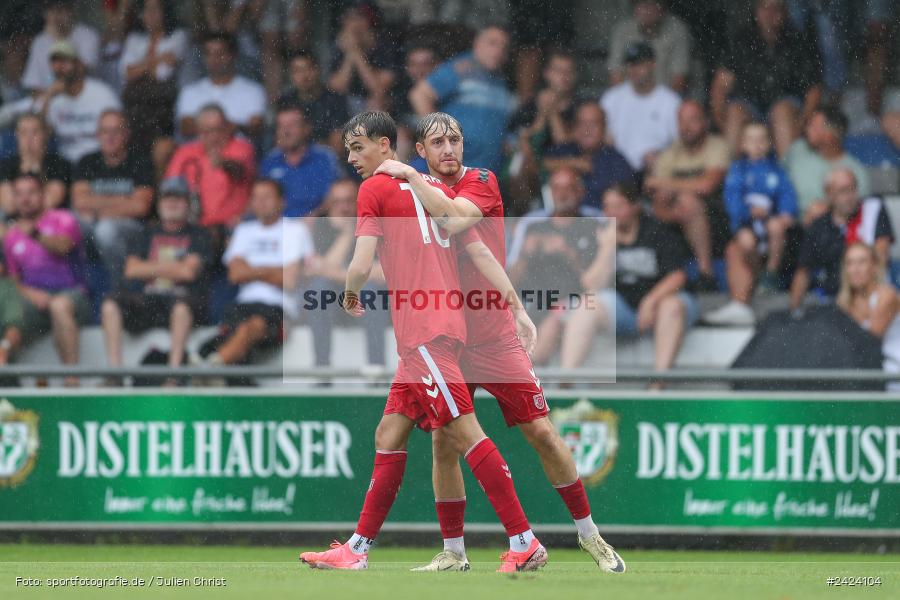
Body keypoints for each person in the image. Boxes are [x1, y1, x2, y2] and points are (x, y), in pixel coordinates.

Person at [371, 113, 625, 572]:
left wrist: (406, 172)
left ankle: (590, 536)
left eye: (455, 139)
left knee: (542, 433)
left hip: (492, 336)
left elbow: (453, 220)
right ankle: (454, 551)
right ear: (424, 151)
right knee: (443, 444)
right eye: (437, 142)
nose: (449, 148)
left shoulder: (483, 181)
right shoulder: (418, 192)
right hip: (444, 337)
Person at [300, 112, 551, 573]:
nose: (352, 158)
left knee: (462, 432)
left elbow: (360, 260)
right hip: (443, 326)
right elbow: (476, 248)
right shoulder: (435, 193)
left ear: (383, 145)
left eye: (357, 148)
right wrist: (516, 305)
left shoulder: (376, 188)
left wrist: (350, 294)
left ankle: (525, 540)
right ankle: (356, 549)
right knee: (389, 432)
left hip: (425, 331)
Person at [560, 184, 698, 385]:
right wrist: (607, 248)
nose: (612, 212)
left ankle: (658, 385)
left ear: (635, 206)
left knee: (671, 305)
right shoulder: (599, 235)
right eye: (608, 206)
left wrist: (651, 301)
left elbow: (678, 277)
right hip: (624, 308)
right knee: (587, 305)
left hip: (663, 306)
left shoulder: (658, 230)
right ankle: (566, 382)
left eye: (619, 206)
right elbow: (590, 284)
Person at [194, 179, 311, 374]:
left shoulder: (295, 231)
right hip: (242, 306)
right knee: (241, 329)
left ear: (282, 202)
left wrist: (251, 270)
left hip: (279, 308)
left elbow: (289, 280)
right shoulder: (243, 231)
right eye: (256, 197)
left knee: (250, 328)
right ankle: (214, 368)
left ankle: (208, 370)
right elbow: (234, 274)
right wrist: (273, 270)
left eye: (267, 197)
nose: (261, 202)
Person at [100, 177, 211, 383]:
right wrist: (175, 267)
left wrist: (150, 269)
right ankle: (115, 375)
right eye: (167, 199)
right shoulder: (146, 233)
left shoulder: (200, 235)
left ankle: (174, 376)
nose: (172, 204)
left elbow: (188, 273)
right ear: (159, 204)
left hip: (184, 302)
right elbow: (132, 270)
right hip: (150, 300)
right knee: (110, 304)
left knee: (181, 307)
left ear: (188, 204)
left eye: (178, 199)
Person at [705, 122, 798, 326]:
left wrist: (785, 213)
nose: (756, 145)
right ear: (742, 145)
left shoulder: (777, 170)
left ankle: (770, 274)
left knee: (776, 227)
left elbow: (787, 194)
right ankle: (755, 281)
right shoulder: (738, 170)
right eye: (751, 140)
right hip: (746, 224)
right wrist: (748, 212)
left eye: (761, 140)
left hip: (772, 225)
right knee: (744, 242)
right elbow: (732, 199)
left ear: (770, 143)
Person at [506, 168, 602, 365]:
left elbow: (599, 282)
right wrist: (526, 255)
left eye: (568, 188)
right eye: (556, 188)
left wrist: (567, 252)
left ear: (580, 191)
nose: (562, 194)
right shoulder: (531, 224)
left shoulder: (596, 223)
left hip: (576, 301)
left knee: (551, 323)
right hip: (533, 300)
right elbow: (509, 281)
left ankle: (538, 383)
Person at [4, 173, 88, 387]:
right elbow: (14, 280)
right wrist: (31, 294)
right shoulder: (11, 236)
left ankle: (71, 382)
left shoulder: (63, 218)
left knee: (59, 306)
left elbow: (63, 247)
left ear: (43, 194)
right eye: (19, 194)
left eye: (31, 192)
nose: (25, 199)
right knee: (7, 314)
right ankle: (11, 384)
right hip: (34, 299)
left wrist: (34, 233)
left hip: (71, 293)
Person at [710, 0, 821, 157]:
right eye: (765, 8)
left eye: (776, 8)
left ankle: (786, 174)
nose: (770, 13)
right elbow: (720, 86)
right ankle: (731, 175)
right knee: (735, 112)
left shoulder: (798, 41)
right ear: (756, 12)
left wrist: (804, 122)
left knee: (781, 112)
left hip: (785, 105)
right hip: (749, 104)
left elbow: (813, 89)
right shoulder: (741, 40)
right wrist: (721, 122)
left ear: (784, 12)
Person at [644, 100, 731, 291]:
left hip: (717, 218)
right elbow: (659, 197)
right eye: (681, 121)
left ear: (705, 122)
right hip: (678, 218)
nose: (686, 127)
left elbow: (708, 185)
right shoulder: (670, 153)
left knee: (687, 200)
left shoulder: (717, 146)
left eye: (692, 120)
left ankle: (706, 273)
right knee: (669, 204)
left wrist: (665, 184)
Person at [410, 24, 516, 173]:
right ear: (477, 43)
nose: (498, 51)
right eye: (492, 43)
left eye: (504, 47)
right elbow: (420, 95)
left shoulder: (501, 81)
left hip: (481, 172)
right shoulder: (461, 68)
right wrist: (440, 139)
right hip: (449, 168)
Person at [306, 178, 389, 368]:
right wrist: (347, 234)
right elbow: (318, 269)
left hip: (372, 304)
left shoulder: (376, 224)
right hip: (336, 305)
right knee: (318, 289)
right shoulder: (321, 227)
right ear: (329, 204)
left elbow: (383, 273)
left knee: (371, 290)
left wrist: (335, 273)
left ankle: (376, 369)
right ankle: (322, 368)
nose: (343, 208)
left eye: (348, 201)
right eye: (337, 202)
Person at [789, 168, 894, 310]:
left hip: (870, 298)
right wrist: (793, 312)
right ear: (829, 194)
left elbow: (881, 257)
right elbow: (803, 272)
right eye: (843, 191)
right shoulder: (819, 226)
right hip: (831, 302)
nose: (850, 196)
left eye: (853, 189)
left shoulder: (873, 210)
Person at [71, 110, 154, 289]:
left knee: (106, 229)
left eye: (116, 131)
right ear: (97, 135)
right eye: (105, 131)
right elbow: (79, 202)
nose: (110, 137)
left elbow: (140, 207)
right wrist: (124, 200)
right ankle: (75, 286)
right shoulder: (87, 161)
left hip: (131, 230)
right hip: (94, 223)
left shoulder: (140, 161)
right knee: (69, 222)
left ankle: (121, 287)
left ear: (126, 134)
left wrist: (98, 208)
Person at [118, 0, 187, 174]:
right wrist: (157, 59)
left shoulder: (178, 36)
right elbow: (128, 73)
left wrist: (140, 66)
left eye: (156, 9)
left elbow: (162, 74)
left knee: (160, 150)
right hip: (135, 109)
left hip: (163, 109)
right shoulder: (134, 39)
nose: (151, 14)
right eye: (146, 10)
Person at [165, 104, 255, 230]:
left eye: (218, 130)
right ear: (198, 131)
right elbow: (170, 187)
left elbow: (239, 170)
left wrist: (224, 163)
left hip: (232, 225)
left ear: (228, 127)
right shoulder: (185, 152)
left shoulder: (241, 148)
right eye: (207, 132)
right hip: (193, 226)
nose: (214, 137)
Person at [600, 41, 680, 174]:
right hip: (618, 171)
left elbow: (679, 144)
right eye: (630, 64)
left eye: (639, 63)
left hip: (657, 170)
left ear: (653, 64)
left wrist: (663, 157)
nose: (634, 69)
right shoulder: (611, 98)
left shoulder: (671, 101)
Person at [784, 106, 870, 224]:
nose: (807, 129)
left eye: (813, 126)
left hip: (827, 229)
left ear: (829, 135)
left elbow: (858, 210)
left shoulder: (855, 170)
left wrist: (828, 209)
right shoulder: (797, 149)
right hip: (787, 224)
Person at [41, 40, 121, 165]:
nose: (60, 67)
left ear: (79, 64)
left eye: (64, 61)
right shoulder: (52, 99)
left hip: (98, 162)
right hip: (66, 165)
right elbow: (41, 137)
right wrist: (48, 98)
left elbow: (120, 132)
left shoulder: (102, 94)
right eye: (55, 62)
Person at [542, 102, 635, 209]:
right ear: (574, 127)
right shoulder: (566, 149)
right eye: (581, 123)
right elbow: (540, 165)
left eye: (593, 124)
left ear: (604, 128)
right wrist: (573, 163)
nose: (587, 130)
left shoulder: (618, 163)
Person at [175, 32, 265, 141]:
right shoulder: (190, 91)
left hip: (237, 152)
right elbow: (185, 128)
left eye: (220, 53)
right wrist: (228, 127)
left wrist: (208, 127)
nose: (215, 59)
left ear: (233, 54)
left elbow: (256, 127)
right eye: (209, 53)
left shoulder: (253, 90)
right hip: (199, 153)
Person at [836, 242, 900, 390]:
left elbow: (869, 342)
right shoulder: (843, 302)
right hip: (864, 370)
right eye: (850, 263)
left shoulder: (886, 295)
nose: (855, 269)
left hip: (893, 371)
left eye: (861, 262)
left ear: (874, 266)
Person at [259, 104, 339, 218]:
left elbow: (338, 194)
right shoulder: (270, 161)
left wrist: (314, 217)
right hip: (279, 227)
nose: (286, 131)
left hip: (318, 225)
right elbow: (261, 199)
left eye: (292, 125)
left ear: (306, 128)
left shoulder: (324, 157)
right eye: (281, 126)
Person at [608, 0, 692, 94]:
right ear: (634, 7)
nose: (647, 10)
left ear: (662, 7)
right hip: (628, 99)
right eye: (642, 4)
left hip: (664, 101)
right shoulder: (623, 30)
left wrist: (662, 103)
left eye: (652, 4)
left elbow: (679, 78)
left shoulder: (677, 30)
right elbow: (615, 74)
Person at [278, 51, 350, 157]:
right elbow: (279, 142)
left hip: (326, 160)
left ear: (318, 70)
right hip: (290, 160)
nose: (304, 76)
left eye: (308, 69)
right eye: (297, 71)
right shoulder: (285, 101)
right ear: (291, 75)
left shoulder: (334, 100)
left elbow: (338, 146)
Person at [327, 5, 397, 113]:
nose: (355, 25)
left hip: (381, 105)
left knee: (376, 103)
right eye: (350, 19)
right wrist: (350, 55)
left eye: (360, 19)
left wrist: (357, 53)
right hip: (347, 104)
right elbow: (336, 88)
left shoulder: (385, 45)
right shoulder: (339, 47)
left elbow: (378, 88)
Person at [21, 0, 99, 94]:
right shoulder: (39, 42)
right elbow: (34, 86)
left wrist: (58, 36)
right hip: (53, 103)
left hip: (85, 97)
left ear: (72, 10)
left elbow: (79, 73)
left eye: (61, 8)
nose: (56, 14)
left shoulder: (88, 35)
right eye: (51, 9)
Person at [0, 113, 70, 217]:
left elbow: (50, 202)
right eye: (24, 133)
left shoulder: (59, 164)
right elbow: (9, 205)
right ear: (17, 136)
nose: (29, 138)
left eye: (35, 132)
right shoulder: (5, 165)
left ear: (45, 134)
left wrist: (34, 166)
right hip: (14, 223)